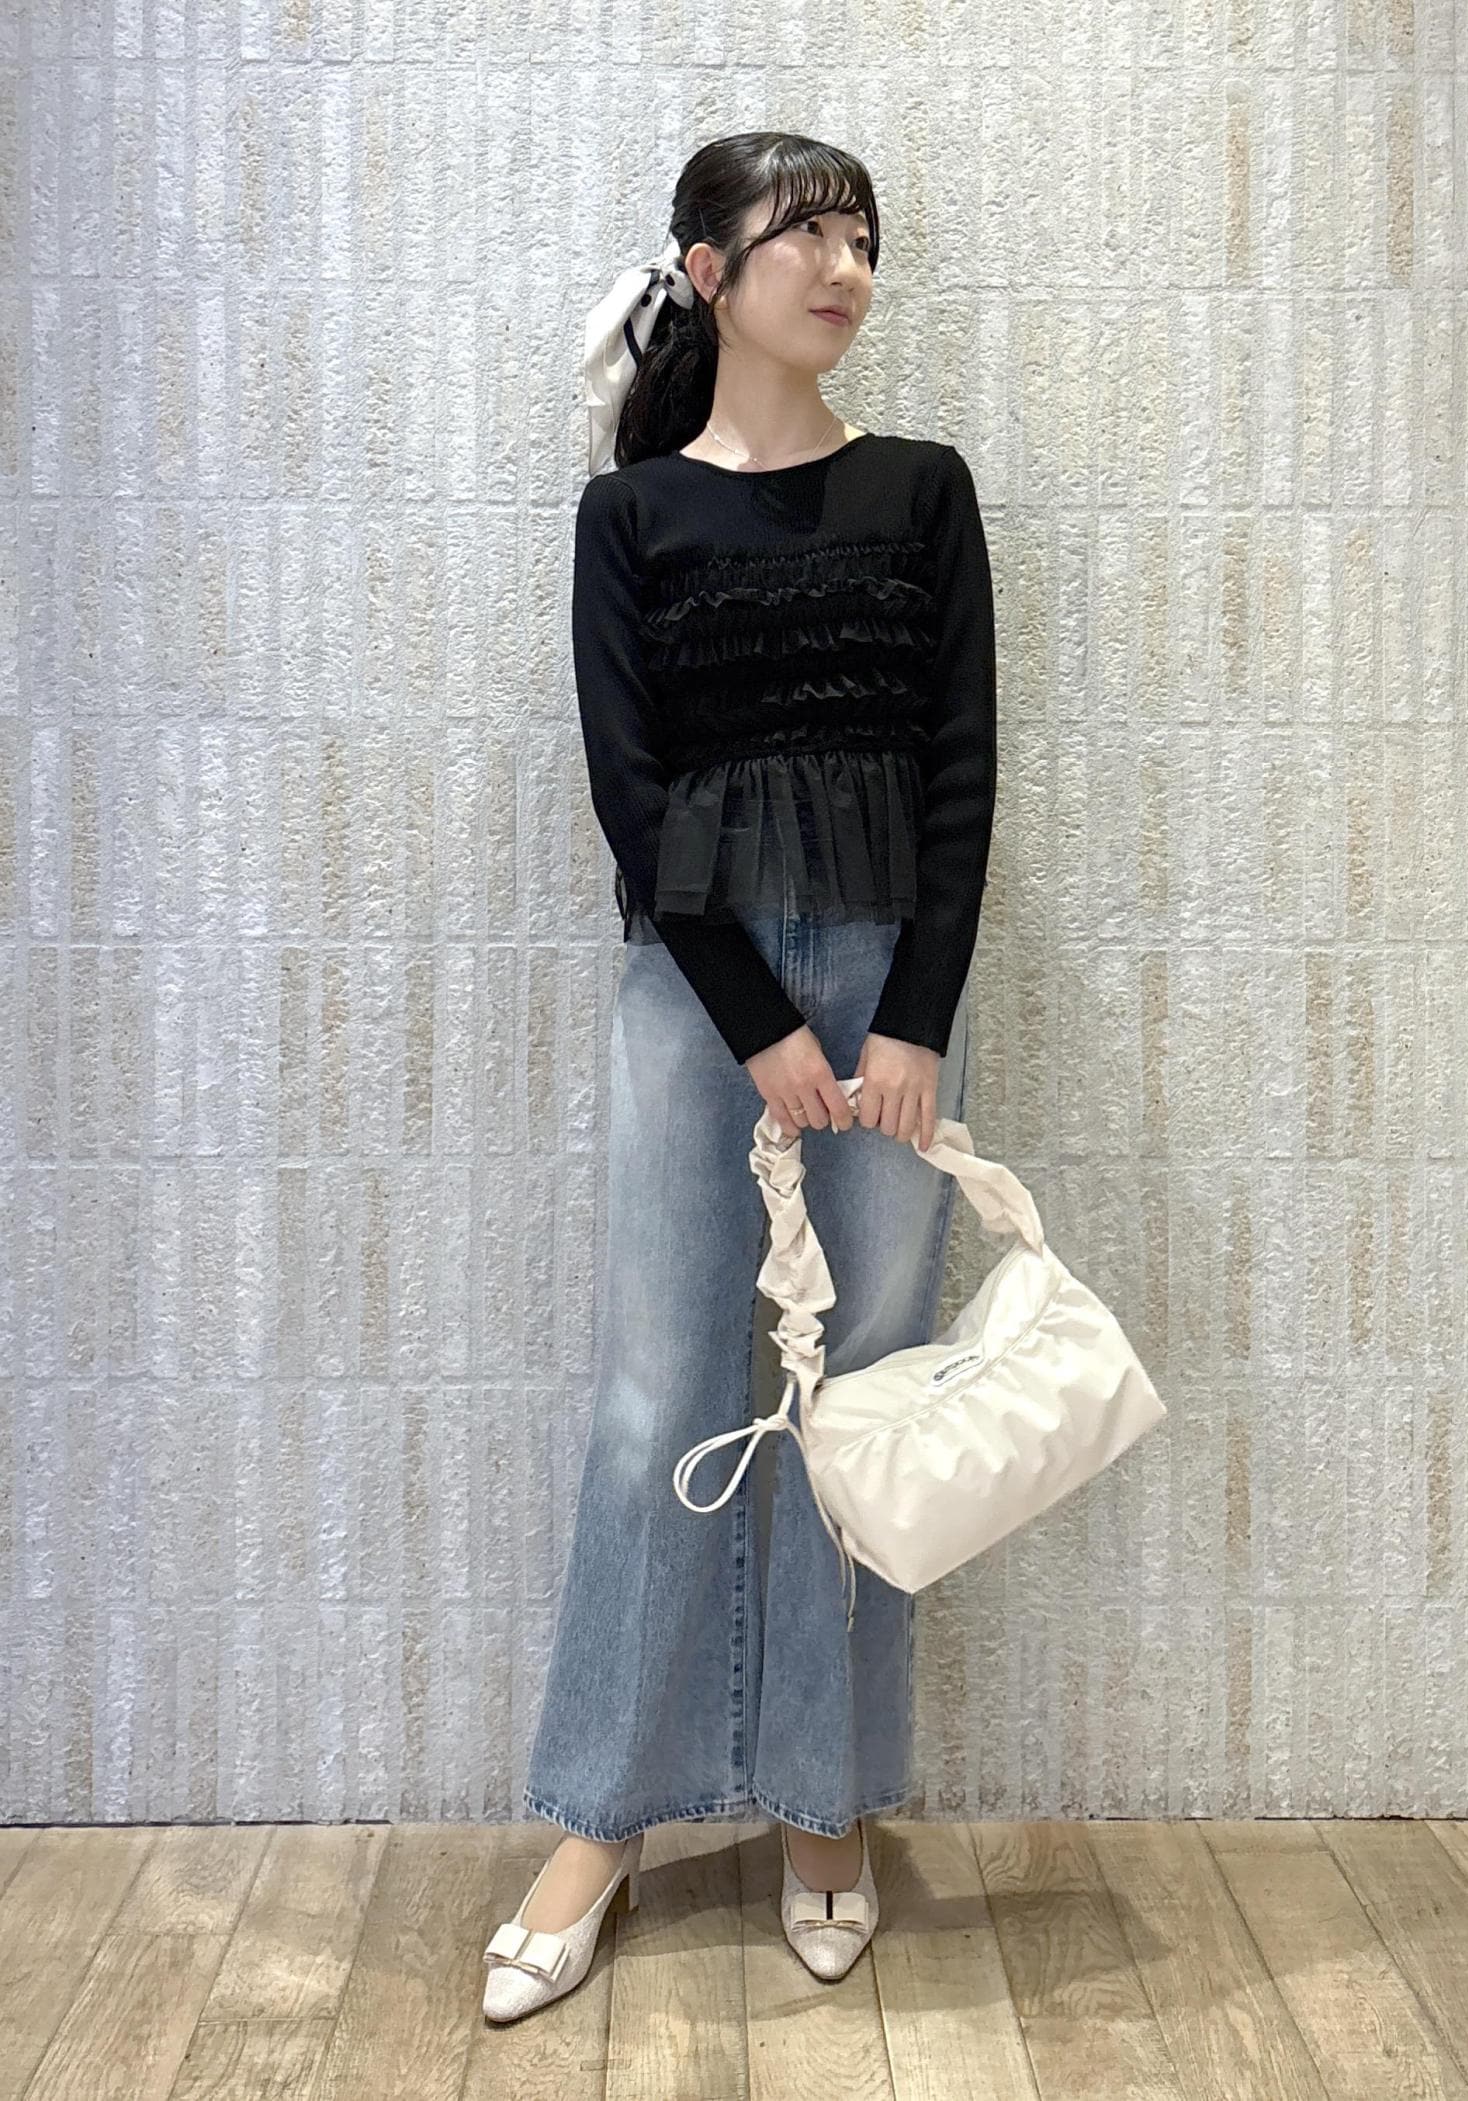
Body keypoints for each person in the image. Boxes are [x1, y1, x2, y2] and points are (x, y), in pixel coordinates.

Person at [482, 129, 997, 2023]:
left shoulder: (924, 490)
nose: (846, 267)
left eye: (864, 236)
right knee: (654, 1398)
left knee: (862, 1400)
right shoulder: (628, 520)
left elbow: (963, 766)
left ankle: (821, 1797)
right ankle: (599, 1817)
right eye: (806, 234)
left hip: (888, 991)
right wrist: (757, 1021)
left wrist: (911, 1014)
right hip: (695, 996)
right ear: (707, 270)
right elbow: (632, 798)